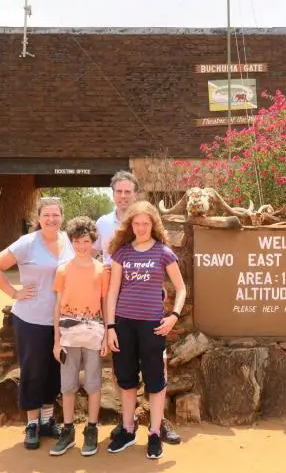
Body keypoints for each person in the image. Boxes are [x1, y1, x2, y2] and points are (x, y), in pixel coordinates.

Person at [95, 171, 182, 445]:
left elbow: (181, 288)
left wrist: (173, 317)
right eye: (137, 223)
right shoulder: (121, 252)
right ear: (130, 225)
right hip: (123, 324)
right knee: (126, 379)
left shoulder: (163, 252)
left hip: (152, 325)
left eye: (146, 223)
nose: (141, 228)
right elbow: (112, 291)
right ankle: (129, 429)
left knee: (156, 379)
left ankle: (155, 433)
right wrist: (110, 327)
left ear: (153, 224)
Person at [0, 197, 74, 450]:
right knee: (33, 370)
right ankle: (32, 424)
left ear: (62, 217)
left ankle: (47, 420)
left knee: (54, 370)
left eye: (56, 215)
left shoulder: (67, 240)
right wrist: (14, 293)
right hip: (32, 318)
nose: (51, 220)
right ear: (38, 218)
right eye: (47, 215)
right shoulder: (27, 243)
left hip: (60, 320)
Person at [49, 217, 110, 457]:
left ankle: (92, 429)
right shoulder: (62, 270)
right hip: (68, 336)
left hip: (95, 335)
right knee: (68, 385)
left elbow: (105, 304)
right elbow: (57, 307)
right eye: (77, 241)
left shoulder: (101, 270)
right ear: (71, 242)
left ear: (92, 241)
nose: (82, 246)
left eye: (85, 241)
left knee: (94, 383)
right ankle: (67, 430)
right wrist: (56, 340)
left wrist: (106, 335)